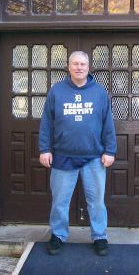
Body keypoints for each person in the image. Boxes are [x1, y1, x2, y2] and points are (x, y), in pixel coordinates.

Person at [39, 51, 117, 256]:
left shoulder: (99, 93)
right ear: (68, 67)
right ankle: (57, 235)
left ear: (88, 67)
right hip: (63, 157)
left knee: (96, 201)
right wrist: (44, 149)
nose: (79, 67)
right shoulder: (56, 91)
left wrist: (110, 150)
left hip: (94, 158)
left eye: (83, 64)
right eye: (75, 64)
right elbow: (47, 122)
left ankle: (100, 236)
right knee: (60, 201)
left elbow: (108, 124)